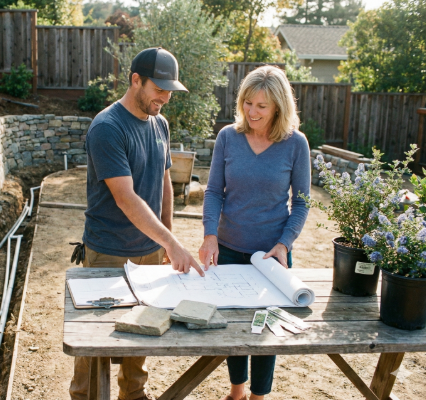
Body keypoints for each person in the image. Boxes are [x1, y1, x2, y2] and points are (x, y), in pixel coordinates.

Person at [69, 47, 204, 400]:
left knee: (143, 327)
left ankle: (133, 394)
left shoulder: (160, 124)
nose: (165, 97)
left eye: (169, 90)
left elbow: (164, 184)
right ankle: (84, 396)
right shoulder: (107, 127)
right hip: (108, 252)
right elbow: (126, 198)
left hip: (148, 251)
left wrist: (165, 240)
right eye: (158, 89)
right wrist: (173, 245)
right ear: (135, 80)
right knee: (93, 339)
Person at [198, 65, 311, 400]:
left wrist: (283, 244)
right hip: (229, 248)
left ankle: (259, 396)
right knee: (235, 326)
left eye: (262, 106)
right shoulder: (228, 137)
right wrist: (209, 235)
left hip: (272, 256)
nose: (252, 111)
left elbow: (301, 204)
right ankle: (237, 391)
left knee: (265, 330)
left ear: (278, 106)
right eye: (248, 102)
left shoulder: (295, 144)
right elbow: (214, 191)